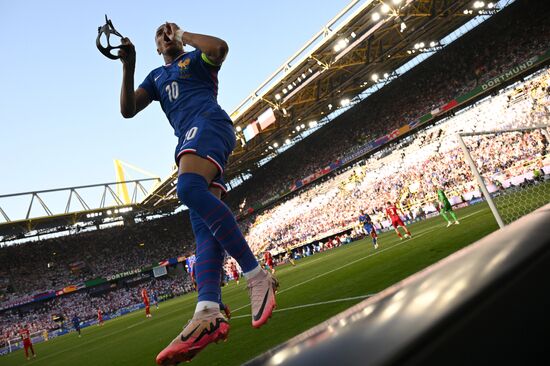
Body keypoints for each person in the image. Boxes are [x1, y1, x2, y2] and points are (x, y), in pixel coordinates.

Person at [116, 22, 278, 364]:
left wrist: (184, 36)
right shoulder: (155, 77)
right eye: (158, 35)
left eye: (168, 30)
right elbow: (128, 109)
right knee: (203, 226)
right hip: (190, 139)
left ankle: (255, 274)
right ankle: (207, 309)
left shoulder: (195, 59)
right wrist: (128, 65)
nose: (164, 35)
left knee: (187, 188)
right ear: (156, 48)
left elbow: (219, 47)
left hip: (208, 125)